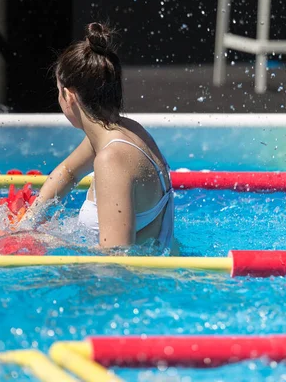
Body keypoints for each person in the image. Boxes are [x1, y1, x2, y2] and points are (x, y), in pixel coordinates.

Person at [20, 22, 174, 251]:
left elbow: (117, 260)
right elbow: (68, 172)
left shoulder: (112, 159)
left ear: (68, 96)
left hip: (136, 283)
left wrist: (45, 241)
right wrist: (27, 223)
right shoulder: (124, 132)